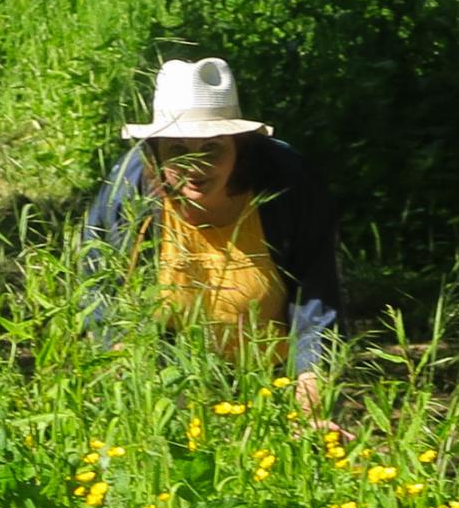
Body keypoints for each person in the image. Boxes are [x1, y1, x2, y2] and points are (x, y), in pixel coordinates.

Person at [86, 57, 342, 418]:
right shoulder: (129, 188)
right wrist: (129, 390)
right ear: (154, 152)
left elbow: (317, 300)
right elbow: (102, 290)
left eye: (212, 148)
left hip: (274, 382)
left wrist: (310, 401)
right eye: (177, 150)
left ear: (240, 147)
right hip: (167, 379)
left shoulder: (288, 183)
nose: (195, 166)